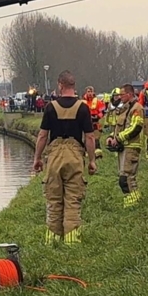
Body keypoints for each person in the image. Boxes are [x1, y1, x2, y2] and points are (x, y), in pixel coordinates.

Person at [33, 71, 97, 245]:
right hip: (75, 157)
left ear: (60, 85)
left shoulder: (50, 107)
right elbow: (90, 137)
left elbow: (42, 136)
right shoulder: (83, 107)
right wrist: (91, 160)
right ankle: (72, 242)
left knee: (54, 201)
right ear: (73, 86)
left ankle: (52, 242)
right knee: (73, 201)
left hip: (54, 157)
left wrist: (37, 158)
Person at [107, 83, 144, 207]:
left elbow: (136, 127)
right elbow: (119, 127)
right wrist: (111, 137)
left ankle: (133, 202)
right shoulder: (124, 109)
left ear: (129, 94)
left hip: (131, 146)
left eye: (122, 94)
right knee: (123, 176)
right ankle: (132, 199)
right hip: (123, 146)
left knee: (127, 176)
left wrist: (118, 138)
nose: (119, 97)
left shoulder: (136, 108)